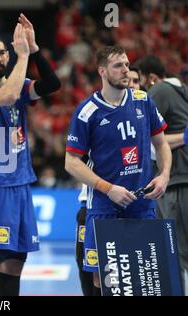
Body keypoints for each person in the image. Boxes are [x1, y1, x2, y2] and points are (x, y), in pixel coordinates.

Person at [65, 46, 172, 294]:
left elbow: (161, 143)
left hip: (142, 202)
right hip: (104, 205)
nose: (126, 70)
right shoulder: (87, 111)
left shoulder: (143, 100)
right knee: (105, 280)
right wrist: (108, 188)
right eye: (118, 65)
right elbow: (71, 162)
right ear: (102, 71)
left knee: (145, 277)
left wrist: (164, 175)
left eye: (127, 64)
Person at [0, 13, 60, 296]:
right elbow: (9, 96)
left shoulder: (18, 85)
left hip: (20, 183)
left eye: (2, 52)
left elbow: (52, 84)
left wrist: (34, 50)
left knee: (15, 262)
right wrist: (22, 54)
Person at [74, 67, 140, 296]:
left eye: (135, 81)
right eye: (128, 79)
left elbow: (159, 148)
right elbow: (73, 161)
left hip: (137, 205)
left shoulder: (143, 112)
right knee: (94, 272)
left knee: (136, 273)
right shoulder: (93, 112)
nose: (131, 84)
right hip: (96, 204)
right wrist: (108, 188)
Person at [136, 55, 188, 290]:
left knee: (175, 252)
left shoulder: (159, 90)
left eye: (142, 83)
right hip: (180, 181)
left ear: (152, 78)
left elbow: (144, 138)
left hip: (176, 183)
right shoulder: (182, 90)